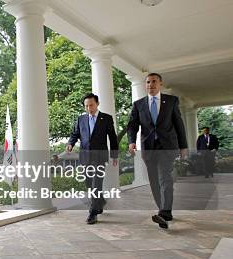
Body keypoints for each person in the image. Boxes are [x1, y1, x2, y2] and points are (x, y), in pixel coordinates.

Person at [128, 73, 187, 229]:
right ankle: (164, 209)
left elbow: (179, 124)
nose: (151, 84)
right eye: (148, 82)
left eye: (154, 81)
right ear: (145, 85)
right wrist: (132, 142)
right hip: (148, 149)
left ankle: (164, 213)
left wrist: (183, 146)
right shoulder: (138, 104)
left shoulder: (171, 101)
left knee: (165, 178)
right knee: (154, 181)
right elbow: (132, 126)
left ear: (160, 84)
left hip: (167, 147)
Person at [66, 93, 119, 224]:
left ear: (97, 104)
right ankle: (100, 201)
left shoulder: (106, 118)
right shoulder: (81, 119)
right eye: (86, 106)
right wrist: (70, 143)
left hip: (100, 157)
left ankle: (93, 213)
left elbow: (112, 137)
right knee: (89, 184)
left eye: (91, 105)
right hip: (85, 156)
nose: (89, 108)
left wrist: (114, 155)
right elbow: (75, 134)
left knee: (96, 184)